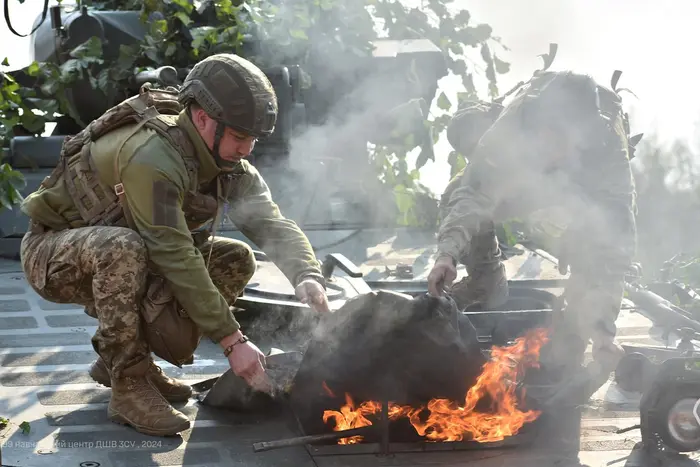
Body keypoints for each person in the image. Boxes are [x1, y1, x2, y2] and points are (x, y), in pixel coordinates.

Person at [18, 53, 330, 436]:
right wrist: (233, 342)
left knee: (234, 258)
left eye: (252, 139)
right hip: (52, 254)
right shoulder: (153, 157)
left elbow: (271, 223)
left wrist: (306, 274)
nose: (247, 149)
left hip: (124, 253)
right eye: (239, 136)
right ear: (202, 118)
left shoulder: (227, 164)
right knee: (123, 247)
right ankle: (128, 384)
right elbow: (175, 253)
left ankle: (127, 360)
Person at [428, 70, 638, 405]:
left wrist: (603, 328)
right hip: (522, 177)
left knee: (593, 251)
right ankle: (485, 282)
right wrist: (447, 255)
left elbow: (615, 240)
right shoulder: (512, 126)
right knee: (456, 191)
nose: (555, 146)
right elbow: (473, 194)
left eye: (565, 139)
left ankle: (566, 359)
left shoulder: (607, 144)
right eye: (549, 135)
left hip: (579, 193)